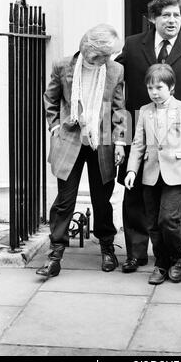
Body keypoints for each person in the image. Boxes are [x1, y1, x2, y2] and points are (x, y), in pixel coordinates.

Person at [116, 0, 181, 273]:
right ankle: (137, 253)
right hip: (141, 132)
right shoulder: (134, 45)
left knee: (172, 208)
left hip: (177, 138)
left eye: (176, 15)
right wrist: (118, 134)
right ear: (153, 18)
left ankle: (172, 256)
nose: (171, 20)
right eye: (165, 15)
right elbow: (116, 85)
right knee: (135, 195)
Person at [36, 23, 126, 278]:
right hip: (70, 141)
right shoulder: (63, 66)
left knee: (102, 199)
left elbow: (120, 108)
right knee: (65, 201)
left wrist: (120, 142)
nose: (108, 60)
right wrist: (54, 127)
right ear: (89, 49)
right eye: (104, 55)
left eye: (110, 56)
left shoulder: (115, 70)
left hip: (102, 142)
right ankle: (55, 256)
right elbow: (50, 99)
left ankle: (107, 248)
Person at [124, 64, 181, 284]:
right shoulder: (145, 111)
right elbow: (138, 143)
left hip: (177, 174)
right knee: (153, 224)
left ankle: (177, 258)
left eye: (159, 87)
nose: (154, 92)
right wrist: (132, 170)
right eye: (150, 88)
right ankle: (161, 263)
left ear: (172, 86)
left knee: (169, 219)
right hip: (151, 174)